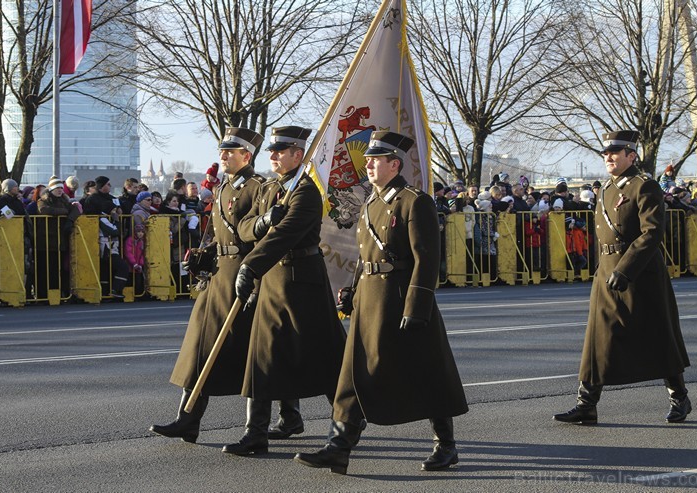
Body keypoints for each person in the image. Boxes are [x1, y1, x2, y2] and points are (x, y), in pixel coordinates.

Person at [294, 131, 468, 475]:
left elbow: (426, 258)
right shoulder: (371, 202)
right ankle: (338, 446)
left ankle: (445, 445)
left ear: (395, 164)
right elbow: (365, 256)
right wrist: (353, 290)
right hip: (370, 300)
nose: (369, 165)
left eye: (376, 160)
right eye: (368, 160)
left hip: (400, 298)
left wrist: (417, 306)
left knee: (427, 371)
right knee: (353, 374)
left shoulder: (414, 201)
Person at [150, 128, 289, 445]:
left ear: (246, 156)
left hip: (245, 278)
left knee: (256, 357)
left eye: (230, 151)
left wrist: (254, 276)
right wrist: (202, 257)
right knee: (199, 350)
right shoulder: (224, 188)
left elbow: (265, 237)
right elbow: (216, 235)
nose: (223, 155)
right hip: (217, 279)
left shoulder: (260, 188)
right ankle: (187, 419)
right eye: (222, 151)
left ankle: (259, 430)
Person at [553, 130, 691, 425]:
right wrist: (606, 269)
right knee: (598, 336)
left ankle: (679, 397)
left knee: (658, 336)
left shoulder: (645, 186)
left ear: (631, 155)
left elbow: (652, 232)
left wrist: (625, 269)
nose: (608, 158)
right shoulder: (605, 189)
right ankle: (586, 403)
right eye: (605, 154)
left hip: (640, 274)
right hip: (607, 270)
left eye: (615, 153)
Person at [223, 126, 346, 456]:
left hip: (301, 281)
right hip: (272, 283)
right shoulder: (269, 188)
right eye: (272, 152)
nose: (274, 156)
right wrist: (263, 221)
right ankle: (255, 433)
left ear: (299, 155)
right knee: (262, 356)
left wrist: (250, 266)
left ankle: (349, 422)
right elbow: (245, 227)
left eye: (281, 151)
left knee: (328, 358)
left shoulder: (306, 192)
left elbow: (286, 235)